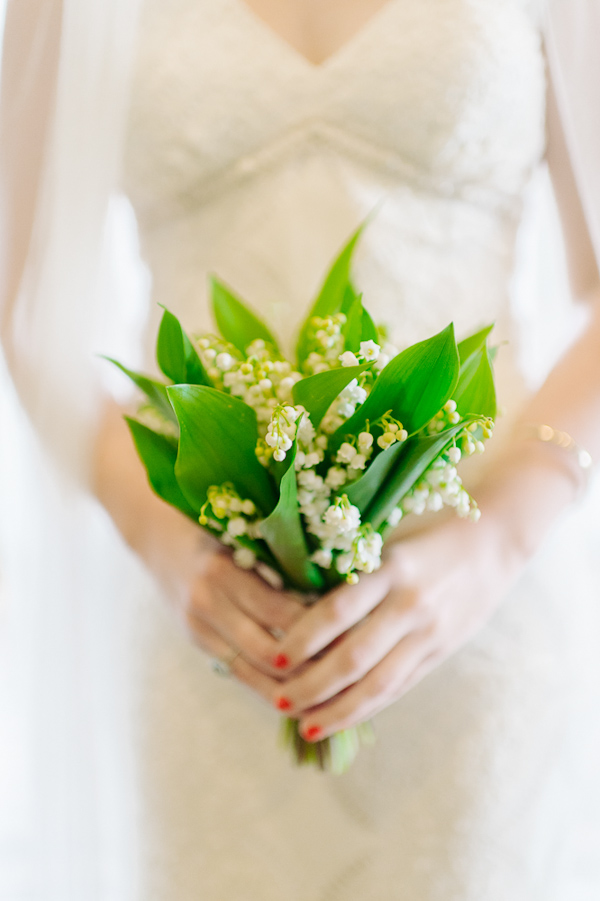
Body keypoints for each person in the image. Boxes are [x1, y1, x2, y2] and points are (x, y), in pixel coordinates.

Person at [1, 0, 600, 898]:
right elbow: (27, 298)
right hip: (210, 630)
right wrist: (163, 545)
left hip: (471, 620)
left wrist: (498, 540)